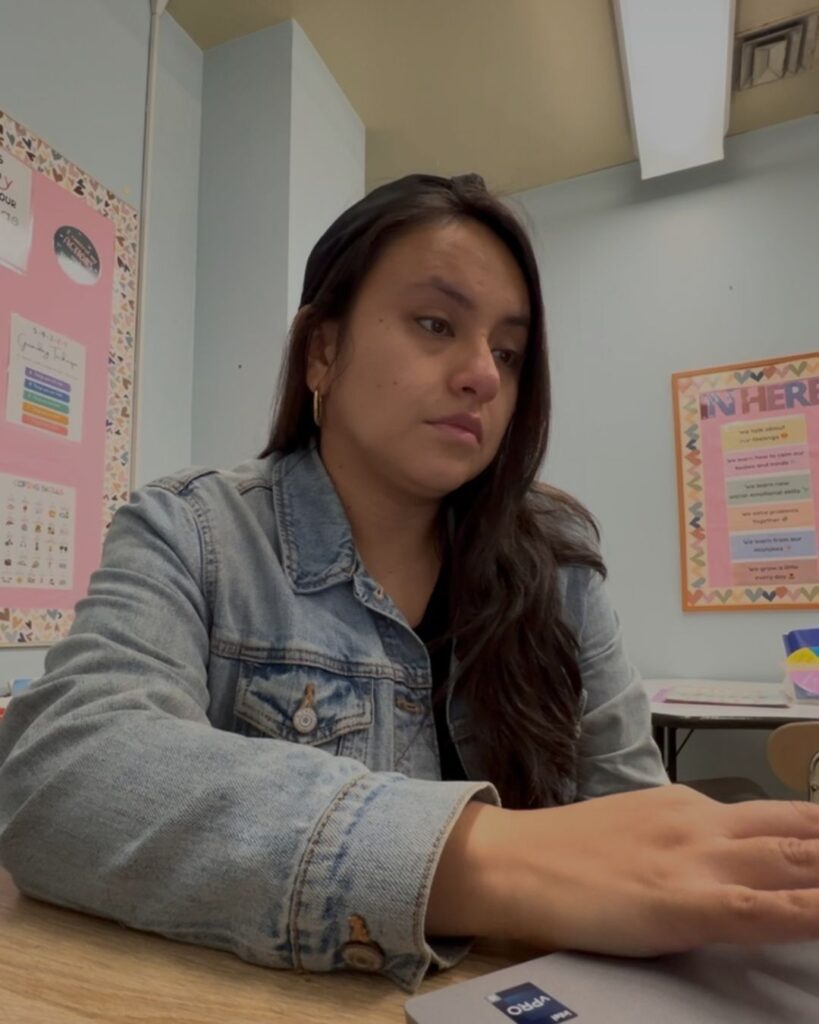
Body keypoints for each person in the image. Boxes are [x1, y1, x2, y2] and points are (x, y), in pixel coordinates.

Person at [2, 174, 819, 995]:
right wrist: (486, 859)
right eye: (435, 324)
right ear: (322, 350)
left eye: (508, 352)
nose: (483, 375)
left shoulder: (560, 571)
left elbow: (644, 842)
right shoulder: (192, 531)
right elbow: (59, 778)